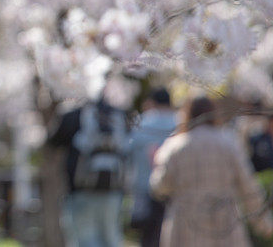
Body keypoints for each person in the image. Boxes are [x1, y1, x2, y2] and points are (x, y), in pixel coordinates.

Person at [150, 95, 273, 247]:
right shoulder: (229, 143)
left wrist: (155, 164)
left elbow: (160, 187)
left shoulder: (175, 146)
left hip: (185, 223)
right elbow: (248, 187)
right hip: (223, 220)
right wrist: (264, 225)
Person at [48, 95, 128, 247]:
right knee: (111, 238)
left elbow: (53, 141)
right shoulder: (117, 115)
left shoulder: (75, 114)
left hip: (80, 190)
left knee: (84, 240)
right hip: (112, 190)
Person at [127, 87, 178, 247]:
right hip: (174, 187)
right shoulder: (180, 121)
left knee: (148, 235)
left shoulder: (144, 121)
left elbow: (127, 149)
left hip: (146, 186)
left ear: (152, 102)